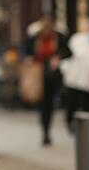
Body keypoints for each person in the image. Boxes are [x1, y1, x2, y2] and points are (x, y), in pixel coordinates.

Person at [25, 15, 71, 146]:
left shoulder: (59, 37)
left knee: (56, 100)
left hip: (54, 75)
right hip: (39, 76)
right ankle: (45, 132)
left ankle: (63, 123)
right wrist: (30, 58)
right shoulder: (34, 38)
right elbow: (27, 52)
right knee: (44, 105)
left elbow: (68, 52)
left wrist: (58, 57)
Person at [60, 21, 89, 132]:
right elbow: (67, 57)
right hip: (74, 80)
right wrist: (65, 72)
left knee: (88, 107)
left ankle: (88, 130)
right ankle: (70, 125)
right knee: (72, 105)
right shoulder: (77, 40)